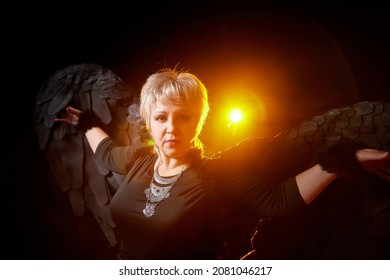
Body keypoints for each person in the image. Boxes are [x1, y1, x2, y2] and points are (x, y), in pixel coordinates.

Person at [57, 67, 390, 260]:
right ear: (149, 121)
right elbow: (105, 151)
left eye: (183, 117)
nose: (171, 128)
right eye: (161, 117)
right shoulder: (137, 158)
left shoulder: (216, 175)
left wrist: (344, 161)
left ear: (198, 122)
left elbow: (280, 199)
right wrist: (86, 122)